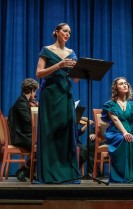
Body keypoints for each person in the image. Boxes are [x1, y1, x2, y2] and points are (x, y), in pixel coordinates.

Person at [35, 23, 80, 183]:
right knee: (50, 133)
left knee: (65, 133)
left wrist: (78, 70)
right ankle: (49, 172)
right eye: (65, 31)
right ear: (56, 32)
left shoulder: (71, 53)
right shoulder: (47, 50)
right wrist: (58, 65)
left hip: (65, 95)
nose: (68, 34)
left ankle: (67, 173)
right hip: (50, 95)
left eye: (69, 32)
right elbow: (39, 73)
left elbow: (75, 80)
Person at [101, 77, 133, 183]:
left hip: (131, 132)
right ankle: (124, 176)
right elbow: (115, 120)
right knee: (126, 139)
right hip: (115, 133)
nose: (125, 85)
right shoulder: (110, 104)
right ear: (116, 88)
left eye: (126, 83)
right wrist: (125, 132)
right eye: (121, 84)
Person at [8, 78, 39, 182]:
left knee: (45, 145)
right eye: (35, 91)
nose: (35, 95)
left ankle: (29, 171)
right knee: (43, 147)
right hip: (21, 137)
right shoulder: (21, 102)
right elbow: (28, 121)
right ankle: (24, 170)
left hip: (25, 135)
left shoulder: (24, 102)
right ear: (30, 90)